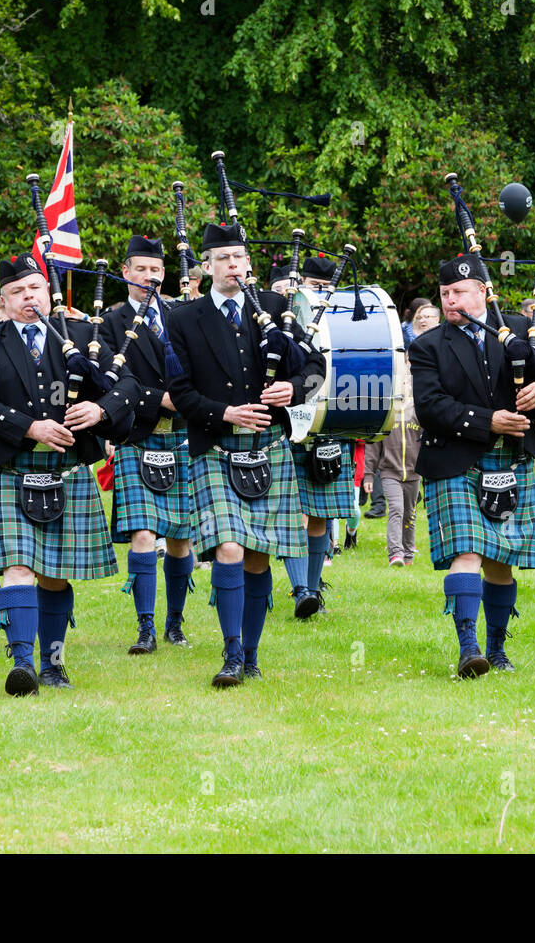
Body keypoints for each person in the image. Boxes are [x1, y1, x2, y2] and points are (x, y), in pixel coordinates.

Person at [0, 253, 136, 695]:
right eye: (17, 292)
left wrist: (100, 408)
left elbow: (128, 385)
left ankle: (53, 663)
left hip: (67, 468)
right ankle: (21, 662)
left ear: (47, 292)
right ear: (3, 301)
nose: (28, 297)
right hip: (11, 467)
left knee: (56, 573)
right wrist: (30, 427)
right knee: (17, 568)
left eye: (34, 289)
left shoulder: (82, 336)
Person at [166, 222, 326, 686]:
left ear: (249, 263)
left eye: (239, 257)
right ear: (207, 266)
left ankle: (252, 654)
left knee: (257, 556)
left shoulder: (277, 309)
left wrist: (292, 389)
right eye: (223, 258)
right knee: (231, 548)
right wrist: (226, 413)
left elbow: (316, 370)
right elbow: (180, 390)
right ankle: (232, 654)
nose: (232, 265)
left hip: (269, 447)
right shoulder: (183, 319)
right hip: (215, 447)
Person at [410, 254, 535, 677]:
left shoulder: (518, 330)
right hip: (456, 460)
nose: (450, 301)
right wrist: (489, 421)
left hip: (511, 460)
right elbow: (431, 407)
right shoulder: (427, 345)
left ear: (483, 292)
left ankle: (497, 649)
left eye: (459, 292)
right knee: (467, 552)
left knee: (502, 560)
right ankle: (469, 647)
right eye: (445, 293)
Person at [100, 235, 197, 652]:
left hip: (185, 436)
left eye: (156, 270)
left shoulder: (182, 314)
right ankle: (145, 628)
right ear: (125, 272)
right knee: (143, 534)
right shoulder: (109, 323)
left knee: (181, 537)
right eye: (141, 269)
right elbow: (110, 379)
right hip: (138, 435)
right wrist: (160, 399)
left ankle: (174, 623)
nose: (150, 277)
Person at [277, 252, 360, 616]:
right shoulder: (284, 317)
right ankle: (298, 590)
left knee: (322, 513)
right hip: (290, 421)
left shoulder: (349, 325)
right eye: (315, 286)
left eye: (328, 288)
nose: (322, 294)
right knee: (293, 512)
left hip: (331, 425)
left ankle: (311, 592)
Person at [364, 355, 421, 566]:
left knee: (410, 514)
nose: (403, 386)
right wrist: (369, 474)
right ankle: (395, 553)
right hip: (390, 472)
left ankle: (408, 554)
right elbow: (373, 445)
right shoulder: (386, 411)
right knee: (396, 509)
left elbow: (426, 442)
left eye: (406, 382)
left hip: (414, 473)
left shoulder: (418, 411)